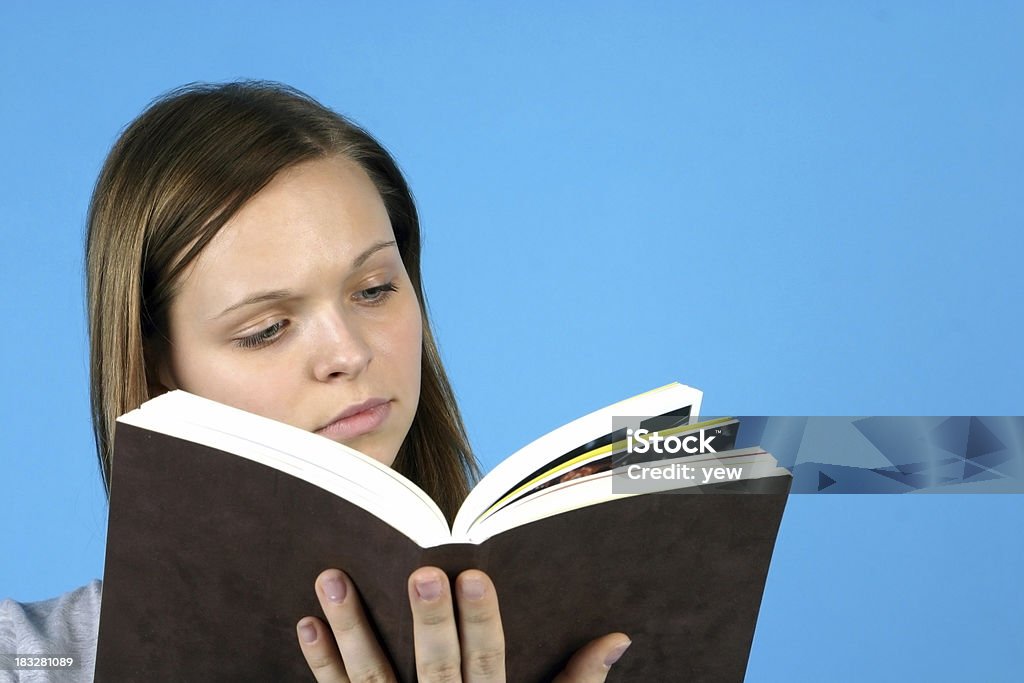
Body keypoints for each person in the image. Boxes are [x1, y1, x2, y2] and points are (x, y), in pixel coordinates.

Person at [0, 81, 631, 682]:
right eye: (268, 328)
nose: (348, 354)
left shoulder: (581, 643)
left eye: (375, 289)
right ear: (158, 364)